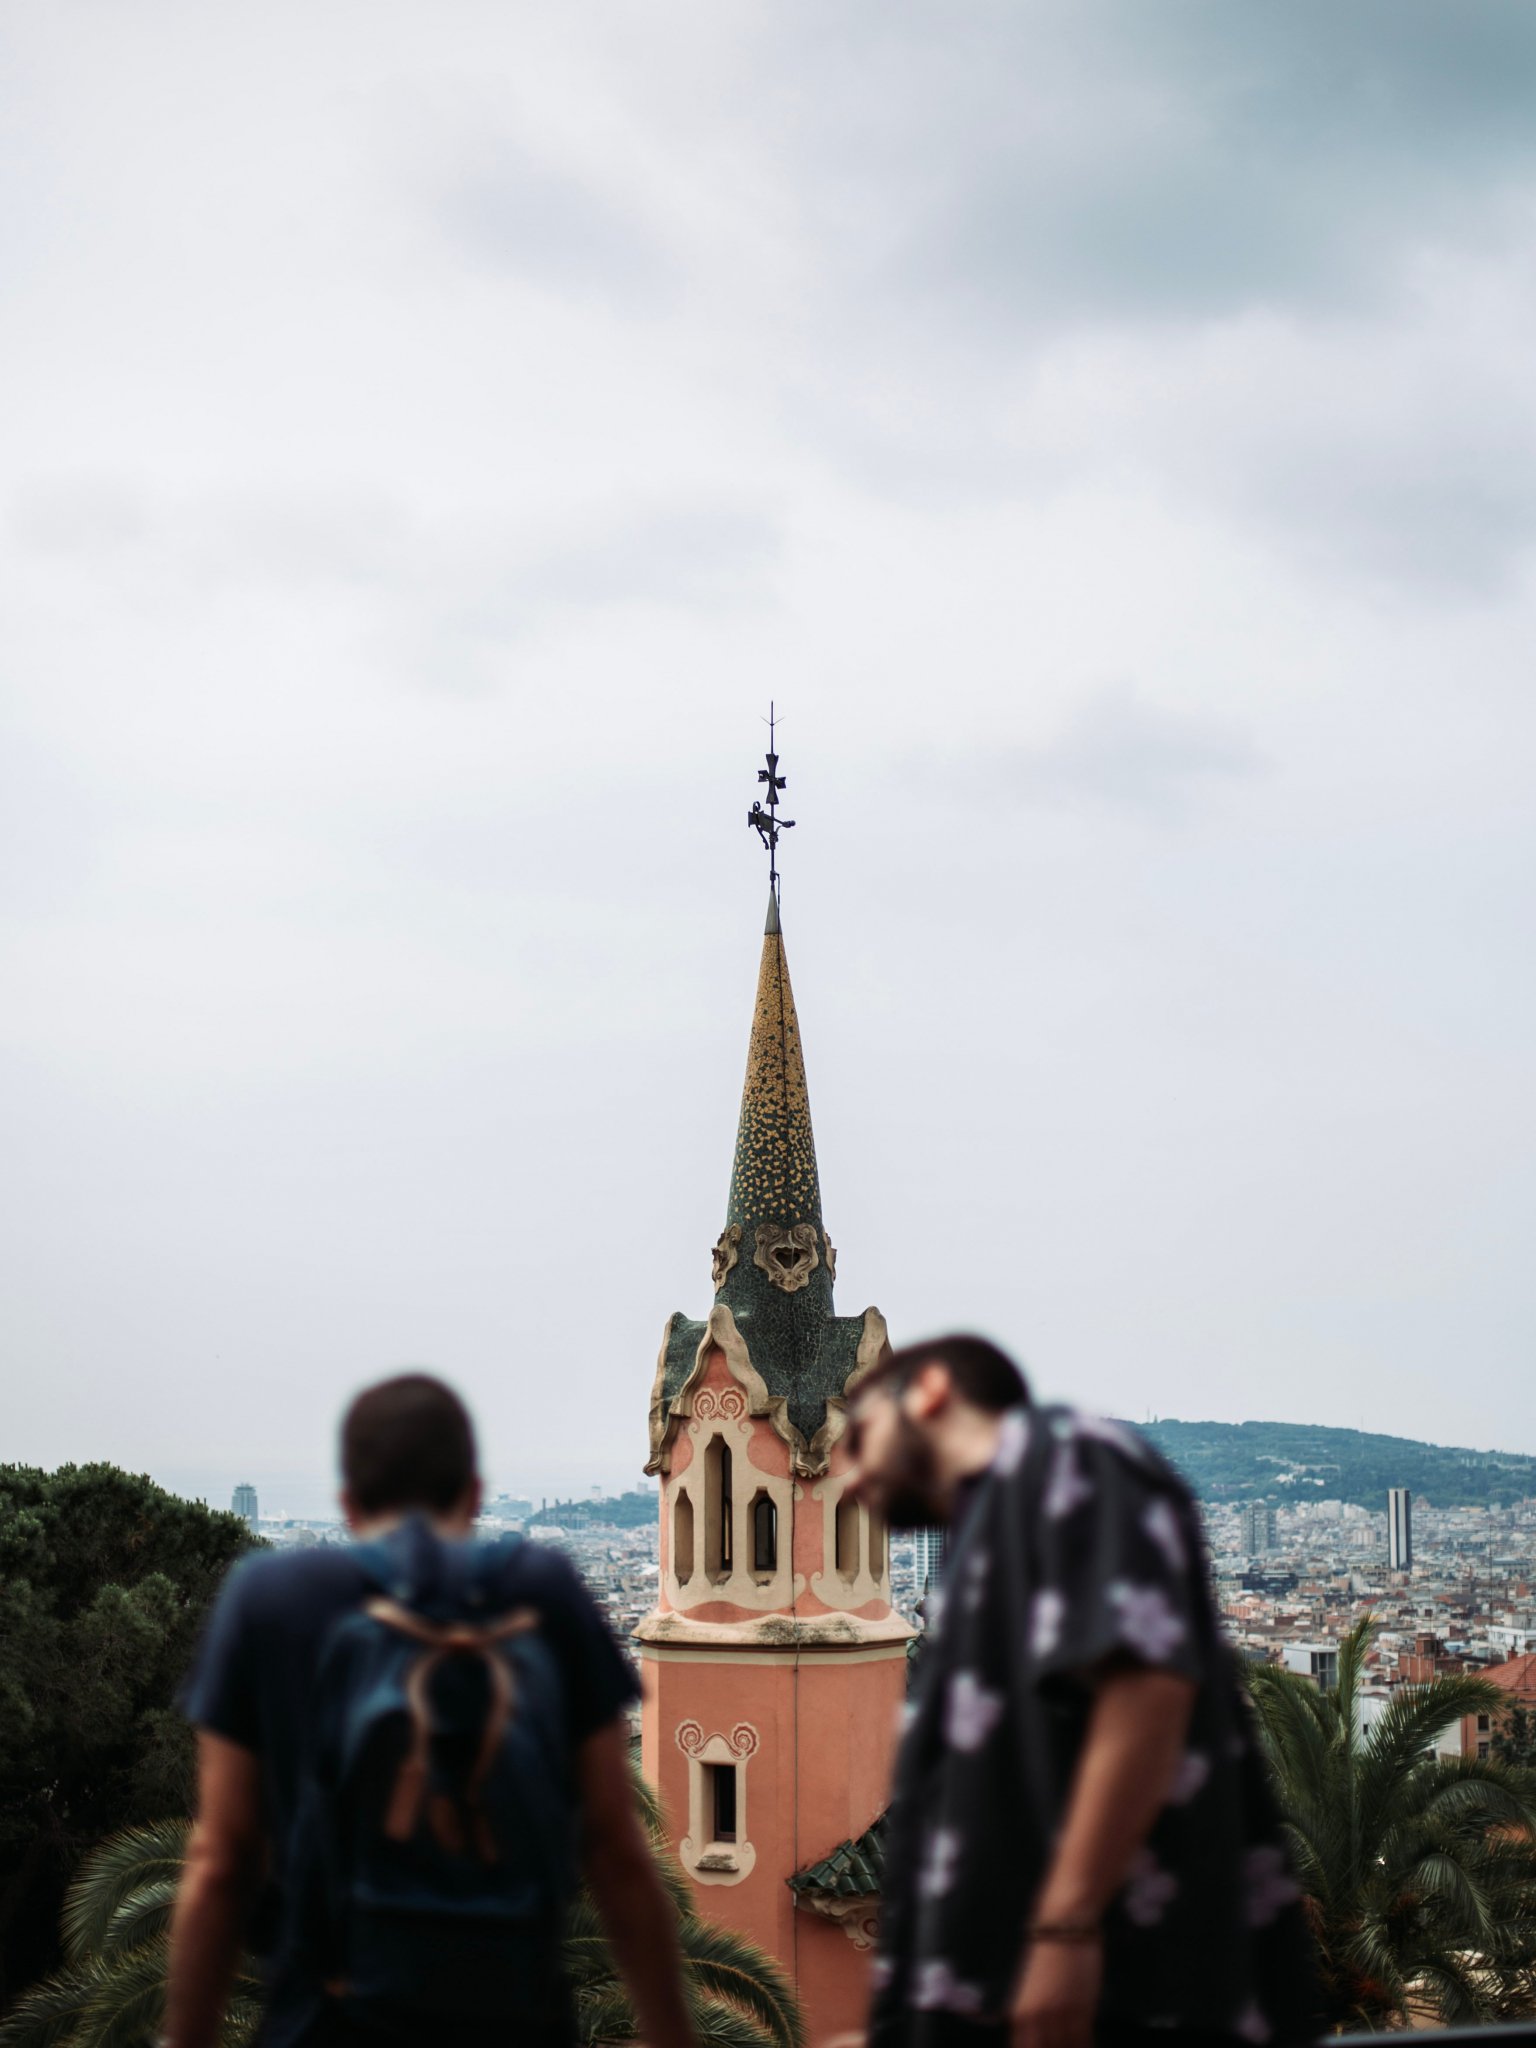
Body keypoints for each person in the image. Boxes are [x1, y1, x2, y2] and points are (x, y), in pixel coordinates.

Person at [166, 1373, 695, 2048]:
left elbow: (223, 1858)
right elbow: (614, 1848)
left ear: (347, 1503)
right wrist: (671, 2034)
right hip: (514, 2021)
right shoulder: (542, 1590)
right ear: (474, 1496)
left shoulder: (271, 1598)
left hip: (327, 2022)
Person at [843, 1336, 1318, 2048]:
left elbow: (1144, 1683)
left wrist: (1065, 1930)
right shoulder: (988, 1534)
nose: (846, 1477)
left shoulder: (1065, 1454)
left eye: (857, 1437)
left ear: (931, 1391)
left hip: (1127, 2000)